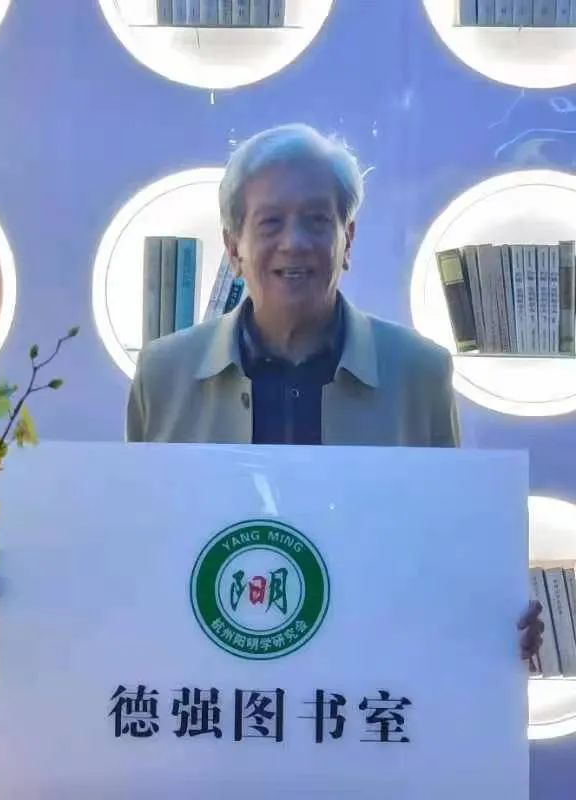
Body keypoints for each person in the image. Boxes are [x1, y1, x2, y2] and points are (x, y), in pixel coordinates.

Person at [126, 123, 543, 661]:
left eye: (318, 221)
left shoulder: (420, 372)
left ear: (348, 240)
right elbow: (139, 545)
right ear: (233, 247)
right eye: (270, 222)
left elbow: (445, 548)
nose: (295, 242)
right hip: (212, 674)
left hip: (364, 673)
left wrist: (493, 619)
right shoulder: (164, 373)